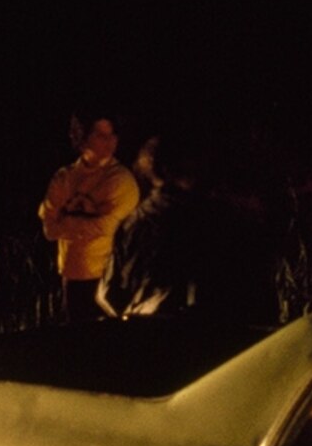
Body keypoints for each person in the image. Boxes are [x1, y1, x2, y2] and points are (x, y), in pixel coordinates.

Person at [105, 129, 280, 325]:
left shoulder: (133, 224)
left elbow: (109, 294)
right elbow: (260, 294)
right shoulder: (224, 219)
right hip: (211, 337)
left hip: (151, 337)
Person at [38, 112, 138, 322]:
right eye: (101, 135)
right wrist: (87, 223)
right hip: (72, 275)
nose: (110, 141)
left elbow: (108, 227)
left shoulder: (120, 180)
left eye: (112, 135)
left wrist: (65, 221)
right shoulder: (64, 177)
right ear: (83, 138)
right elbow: (49, 229)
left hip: (108, 279)